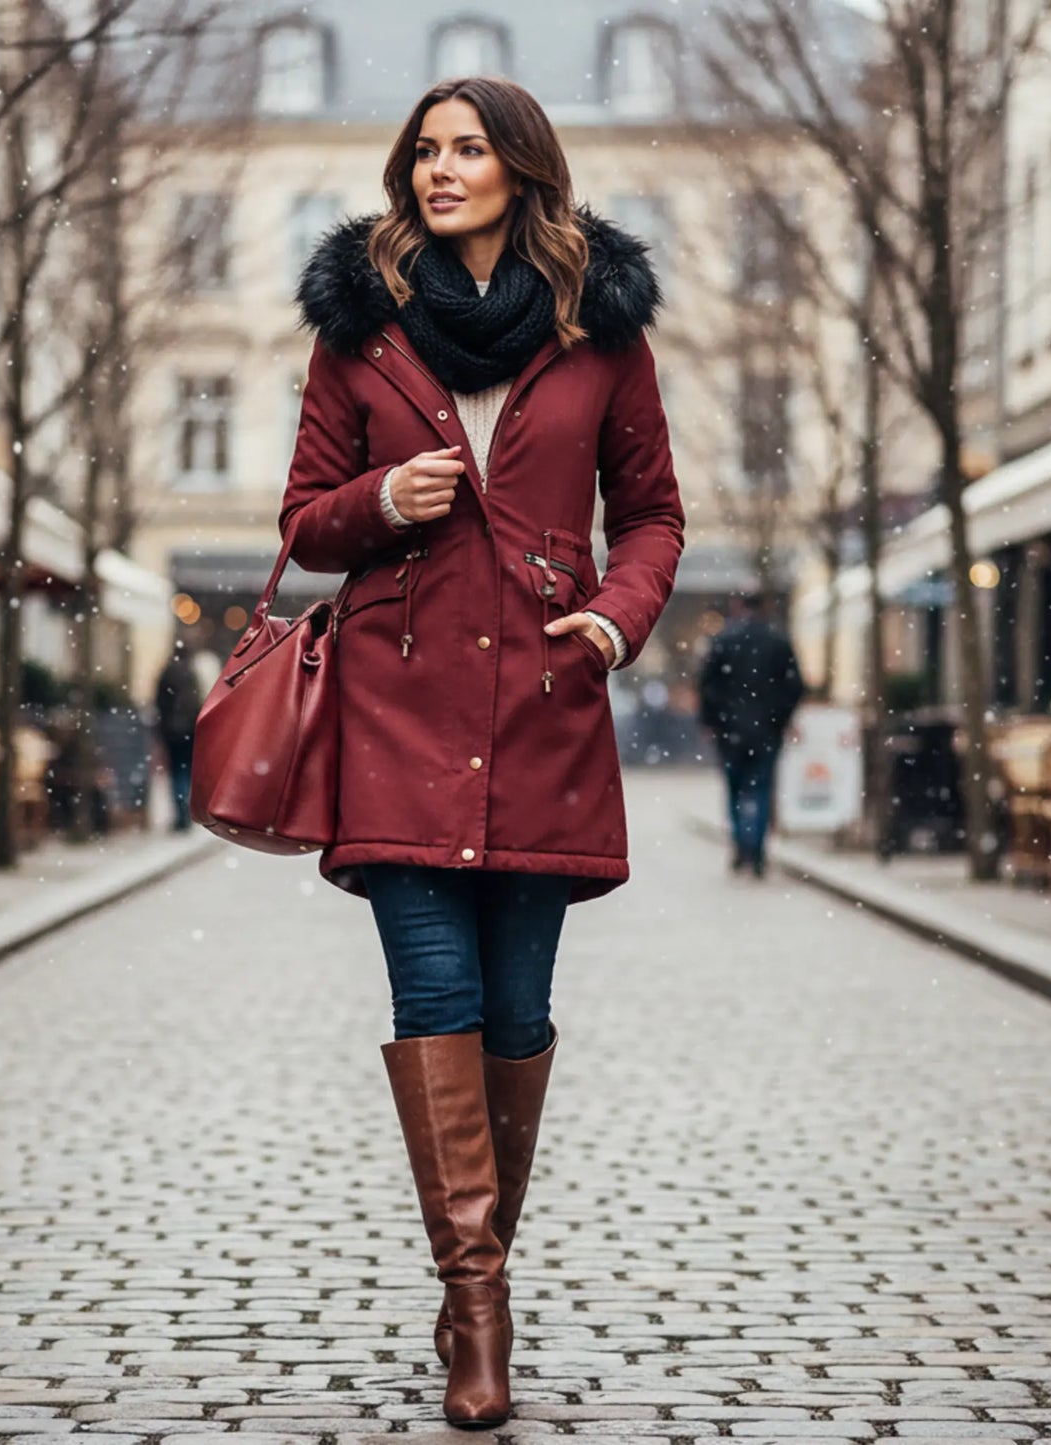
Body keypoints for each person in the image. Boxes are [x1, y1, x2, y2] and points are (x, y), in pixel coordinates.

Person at [283, 77, 684, 1428]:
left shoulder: (600, 333)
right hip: (394, 716)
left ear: (521, 167)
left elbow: (653, 518)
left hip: (548, 709)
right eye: (425, 152)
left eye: (466, 150)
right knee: (435, 997)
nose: (439, 169)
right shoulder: (358, 331)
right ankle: (477, 1305)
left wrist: (617, 624)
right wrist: (381, 499)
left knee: (514, 1019)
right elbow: (304, 524)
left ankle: (477, 1268)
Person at [697, 591, 805, 877]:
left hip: (729, 729)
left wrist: (711, 721)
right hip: (766, 730)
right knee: (760, 788)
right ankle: (756, 851)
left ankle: (741, 846)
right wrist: (781, 718)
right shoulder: (778, 641)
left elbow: (707, 685)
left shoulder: (723, 640)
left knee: (734, 789)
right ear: (766, 605)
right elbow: (795, 686)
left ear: (737, 605)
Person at [153, 640, 201, 832]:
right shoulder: (191, 674)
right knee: (186, 771)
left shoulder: (167, 672)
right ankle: (185, 813)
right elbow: (196, 702)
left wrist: (161, 729)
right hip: (189, 730)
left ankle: (181, 815)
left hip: (171, 731)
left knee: (176, 773)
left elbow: (160, 703)